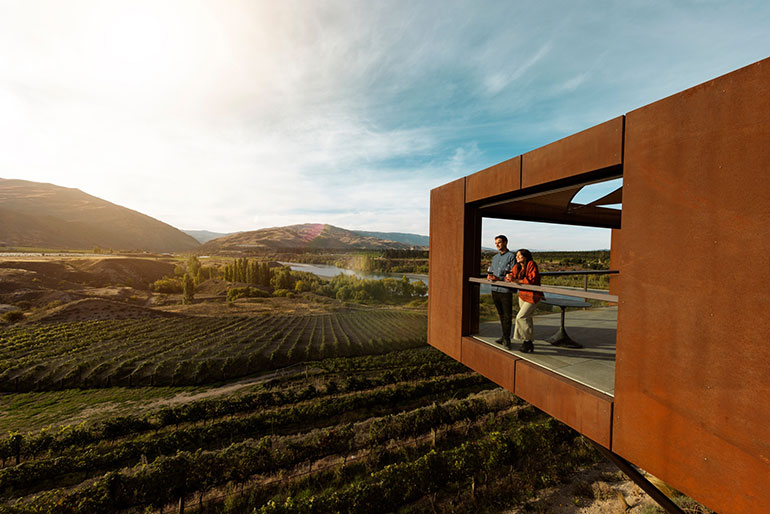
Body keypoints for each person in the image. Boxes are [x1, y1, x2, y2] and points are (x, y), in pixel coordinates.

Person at [506, 249, 543, 353]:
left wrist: (515, 280)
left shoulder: (531, 264)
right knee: (527, 319)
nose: (517, 257)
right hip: (522, 295)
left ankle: (526, 341)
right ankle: (529, 343)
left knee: (520, 317)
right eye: (516, 255)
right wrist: (508, 278)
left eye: (519, 256)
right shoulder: (517, 266)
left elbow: (531, 280)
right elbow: (510, 277)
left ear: (526, 257)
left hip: (533, 295)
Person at [486, 235, 516, 348]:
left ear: (505, 243)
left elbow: (512, 275)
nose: (497, 245)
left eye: (499, 242)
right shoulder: (494, 258)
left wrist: (499, 279)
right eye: (496, 243)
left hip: (505, 291)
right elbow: (492, 272)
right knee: (501, 315)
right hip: (495, 290)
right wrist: (490, 277)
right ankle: (503, 336)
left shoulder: (511, 257)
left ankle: (507, 340)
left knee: (507, 316)